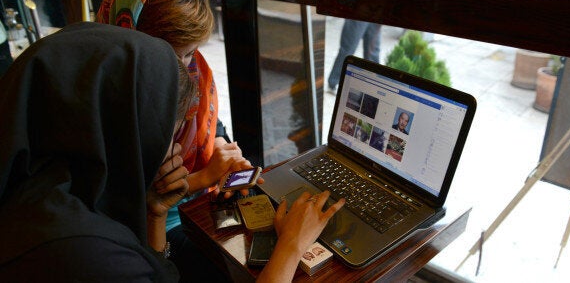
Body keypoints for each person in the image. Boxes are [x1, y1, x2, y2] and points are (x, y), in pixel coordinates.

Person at [0, 22, 345, 282]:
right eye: (164, 132)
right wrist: (291, 245)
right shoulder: (84, 255)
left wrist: (155, 214)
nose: (174, 146)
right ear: (119, 127)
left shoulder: (43, 190)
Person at [97, 0, 252, 275]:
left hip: (193, 208)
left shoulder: (194, 69)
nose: (184, 67)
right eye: (171, 55)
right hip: (149, 231)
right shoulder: (107, 97)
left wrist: (223, 153)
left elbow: (212, 124)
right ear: (131, 34)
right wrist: (206, 175)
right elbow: (130, 199)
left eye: (191, 52)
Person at [327, 19, 382, 93]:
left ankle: (373, 89)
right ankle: (334, 82)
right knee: (348, 48)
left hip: (377, 15)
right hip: (359, 12)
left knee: (373, 54)